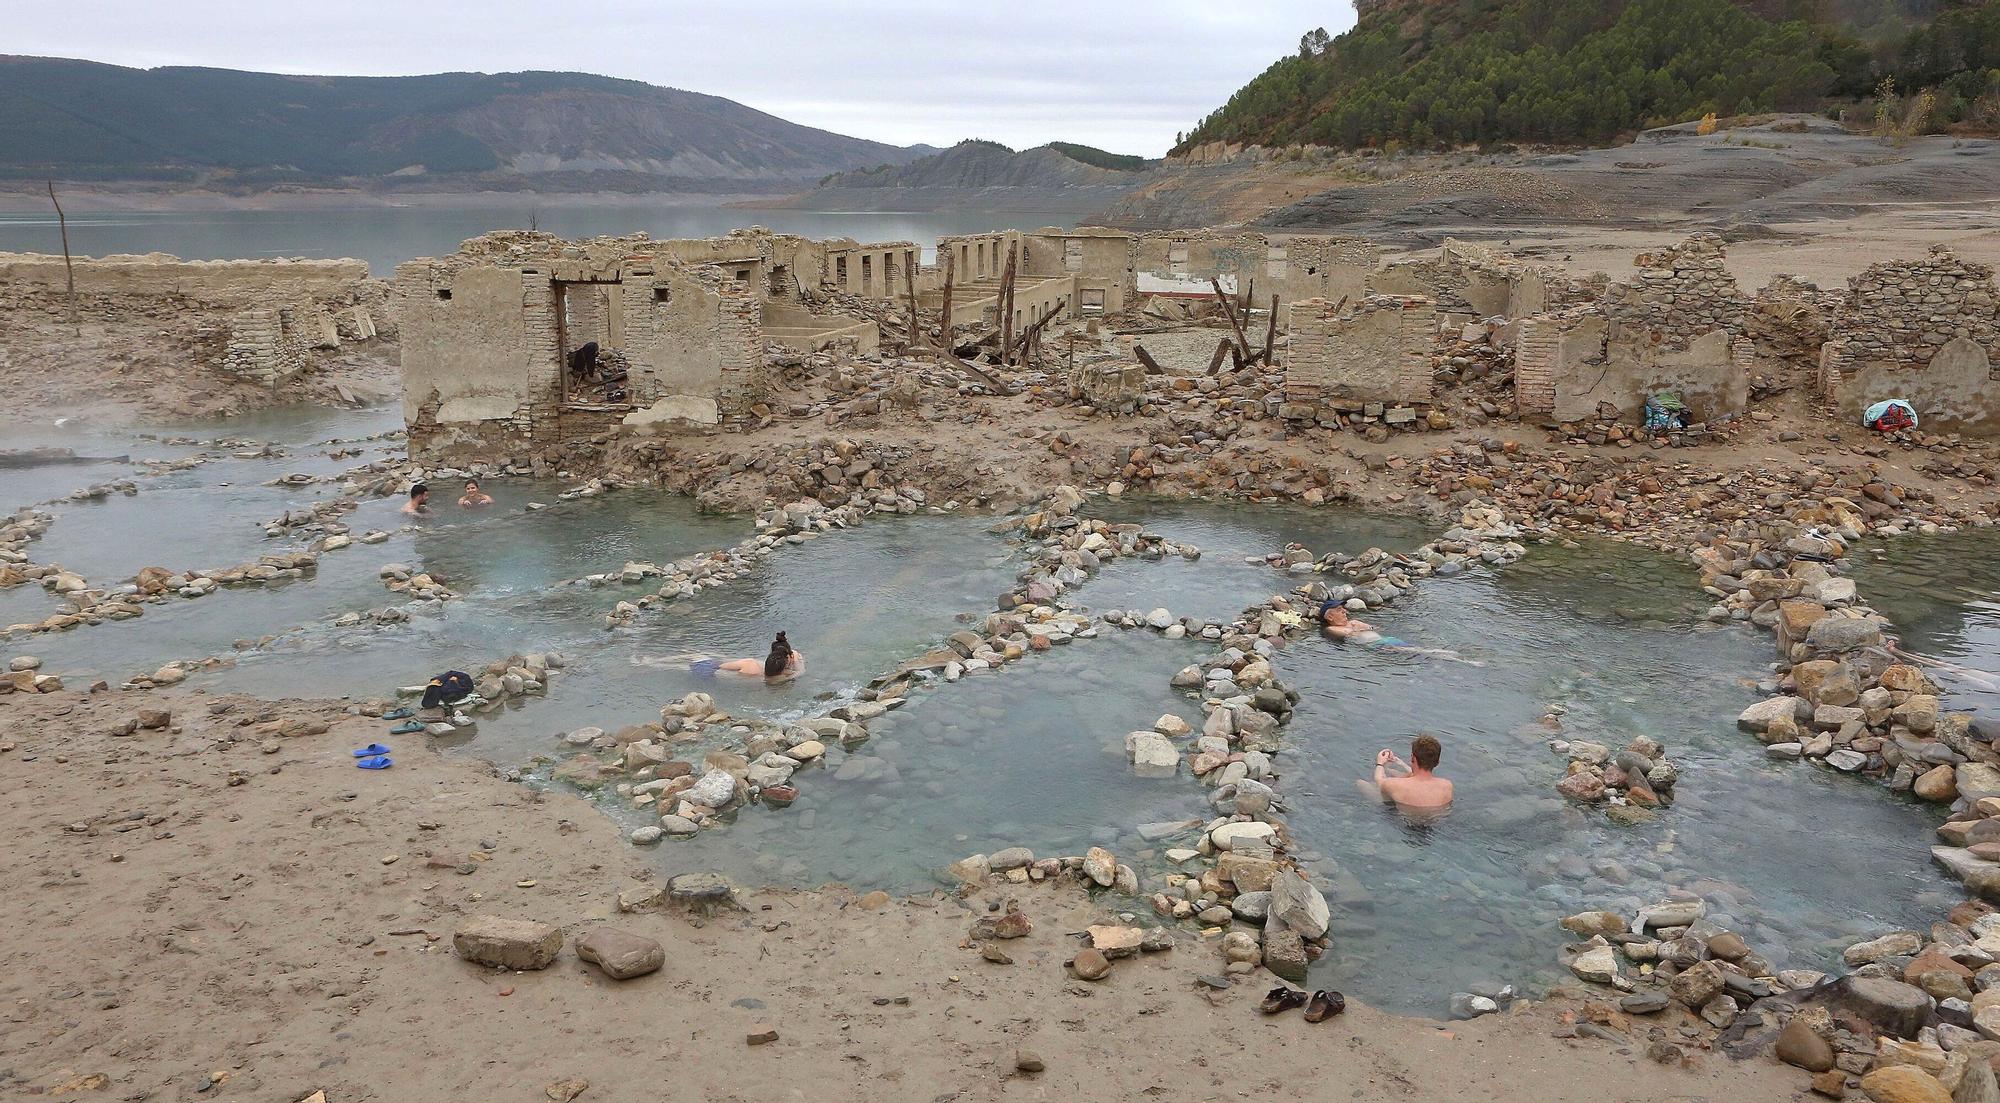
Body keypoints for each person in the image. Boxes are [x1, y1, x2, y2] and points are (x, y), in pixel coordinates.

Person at [1319, 601, 1476, 662]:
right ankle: (1462, 660)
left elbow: (1373, 628)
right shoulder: (1331, 628)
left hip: (1387, 640)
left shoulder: (1353, 622)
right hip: (1377, 645)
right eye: (1340, 610)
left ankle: (1453, 656)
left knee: (1417, 650)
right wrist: (1355, 629)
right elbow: (1348, 635)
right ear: (1330, 616)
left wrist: (1359, 627)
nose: (1345, 611)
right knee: (1419, 651)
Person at [639, 633, 805, 683]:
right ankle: (652, 662)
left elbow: (720, 665)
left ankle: (653, 661)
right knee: (688, 660)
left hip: (713, 668)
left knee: (688, 659)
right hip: (710, 670)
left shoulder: (755, 666)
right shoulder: (762, 673)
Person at [1358, 734, 1455, 816]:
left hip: (1404, 820)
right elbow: (1415, 775)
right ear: (1437, 763)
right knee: (1406, 776)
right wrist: (1399, 762)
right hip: (1433, 820)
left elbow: (1379, 781)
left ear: (1413, 758)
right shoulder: (1447, 786)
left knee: (1361, 783)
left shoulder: (1393, 785)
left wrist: (1380, 764)